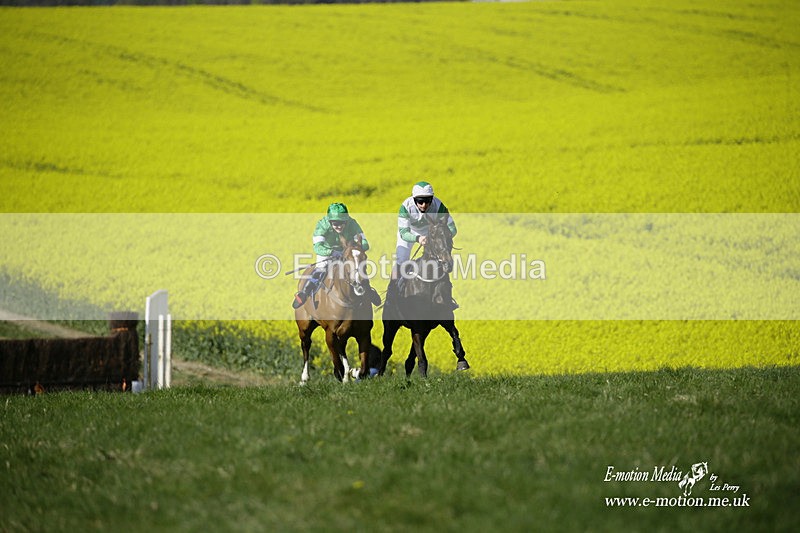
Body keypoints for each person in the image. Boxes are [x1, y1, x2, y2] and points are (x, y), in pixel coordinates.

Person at [292, 202, 382, 309]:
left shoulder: (352, 223)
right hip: (326, 251)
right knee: (320, 268)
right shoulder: (322, 225)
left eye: (342, 223)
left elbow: (365, 244)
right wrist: (331, 252)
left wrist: (351, 249)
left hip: (347, 251)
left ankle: (368, 289)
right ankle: (304, 293)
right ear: (329, 221)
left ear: (346, 220)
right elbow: (317, 247)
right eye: (335, 223)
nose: (338, 226)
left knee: (357, 267)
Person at [389, 181, 458, 305]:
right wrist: (418, 238)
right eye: (420, 201)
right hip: (411, 233)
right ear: (414, 199)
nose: (424, 205)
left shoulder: (439, 206)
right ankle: (392, 293)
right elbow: (404, 232)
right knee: (401, 260)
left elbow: (453, 229)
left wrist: (438, 238)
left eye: (427, 201)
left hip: (432, 233)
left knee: (441, 261)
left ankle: (446, 297)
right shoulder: (405, 207)